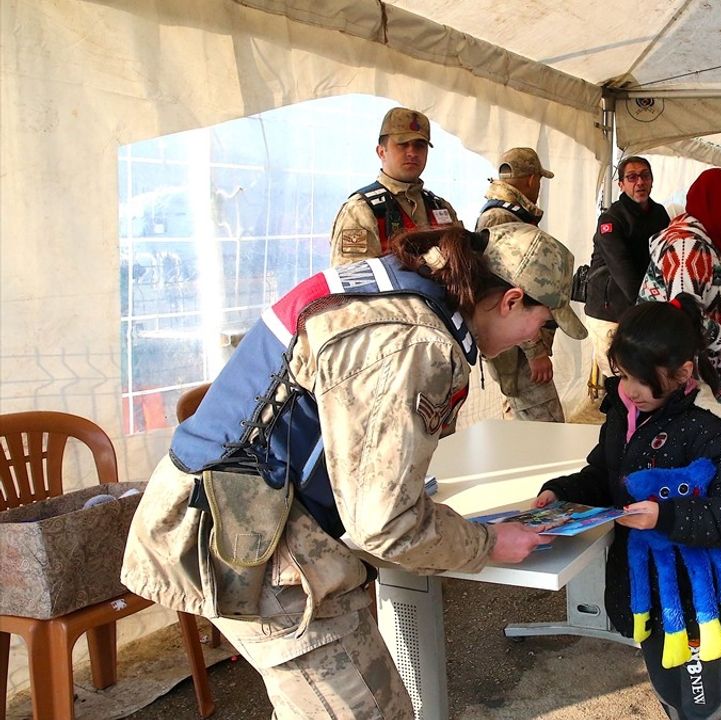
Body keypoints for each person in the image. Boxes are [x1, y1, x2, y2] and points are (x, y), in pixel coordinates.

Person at [122, 223, 588, 719]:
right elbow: (385, 525)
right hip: (252, 540)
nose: (538, 336)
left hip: (240, 516)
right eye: (544, 321)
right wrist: (488, 543)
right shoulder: (416, 341)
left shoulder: (406, 295)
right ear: (511, 300)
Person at [534, 294, 721, 720]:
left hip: (692, 599)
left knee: (704, 699)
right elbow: (604, 474)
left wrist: (666, 516)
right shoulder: (624, 410)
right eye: (622, 375)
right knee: (665, 679)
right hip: (640, 587)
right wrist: (559, 493)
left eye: (639, 379)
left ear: (682, 374)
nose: (628, 389)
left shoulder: (709, 428)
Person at [638, 168, 721, 395]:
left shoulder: (710, 243)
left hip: (694, 374)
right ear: (718, 210)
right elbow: (683, 316)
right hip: (677, 378)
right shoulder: (688, 248)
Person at [476, 148, 565, 421]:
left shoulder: (504, 213)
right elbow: (511, 295)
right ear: (531, 180)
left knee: (518, 424)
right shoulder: (502, 219)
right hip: (518, 351)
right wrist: (535, 351)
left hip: (515, 346)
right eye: (539, 179)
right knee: (547, 428)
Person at [329, 107, 461, 266]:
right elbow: (351, 281)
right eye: (402, 144)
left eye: (419, 145)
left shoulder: (441, 207)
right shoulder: (360, 211)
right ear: (381, 152)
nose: (412, 152)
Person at [584, 155, 672, 378]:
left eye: (644, 176)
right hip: (609, 313)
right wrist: (650, 311)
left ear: (652, 180)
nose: (639, 182)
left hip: (642, 309)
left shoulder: (660, 213)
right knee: (620, 380)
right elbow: (622, 267)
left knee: (643, 379)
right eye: (632, 177)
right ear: (621, 184)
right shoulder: (611, 220)